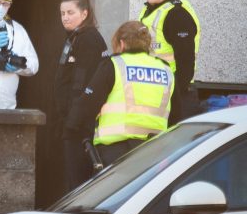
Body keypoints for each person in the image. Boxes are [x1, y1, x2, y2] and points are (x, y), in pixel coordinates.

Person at [65, 21, 174, 166]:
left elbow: (87, 104)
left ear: (121, 44)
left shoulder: (114, 65)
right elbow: (177, 114)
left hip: (117, 152)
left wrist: (70, 127)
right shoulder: (166, 70)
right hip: (156, 152)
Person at [54, 0, 108, 192]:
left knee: (78, 181)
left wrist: (72, 120)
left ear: (84, 14)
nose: (65, 17)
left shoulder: (87, 39)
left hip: (79, 124)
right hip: (73, 120)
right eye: (62, 13)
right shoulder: (76, 37)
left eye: (70, 12)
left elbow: (83, 84)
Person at [138, 0, 200, 125]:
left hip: (174, 96)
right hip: (155, 93)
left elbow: (186, 65)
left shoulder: (176, 15)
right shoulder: (148, 12)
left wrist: (172, 100)